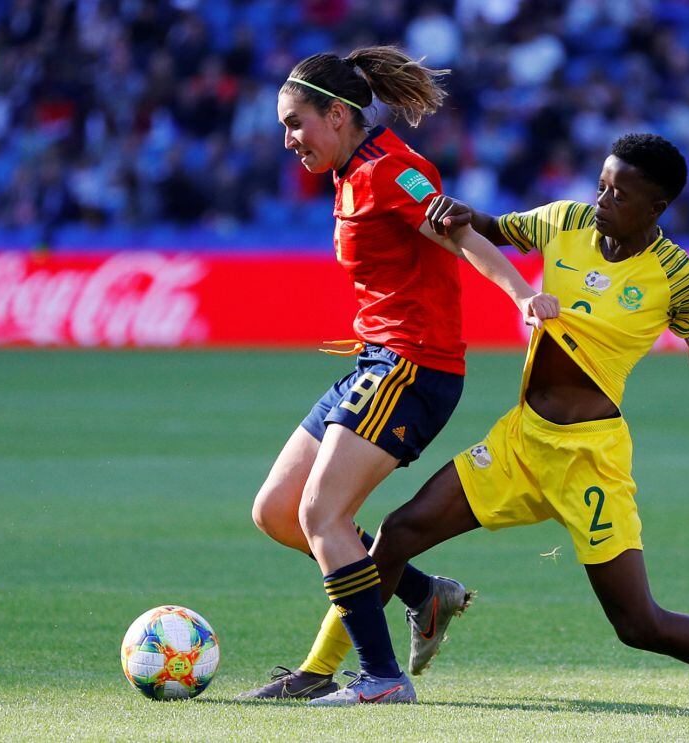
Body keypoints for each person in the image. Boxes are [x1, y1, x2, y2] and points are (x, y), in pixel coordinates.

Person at [311, 134, 689, 707]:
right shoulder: (564, 221)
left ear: (656, 208)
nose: (602, 200)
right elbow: (494, 229)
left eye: (619, 195)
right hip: (521, 443)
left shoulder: (677, 276)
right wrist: (461, 212)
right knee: (397, 534)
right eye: (601, 184)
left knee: (638, 624)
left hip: (590, 461)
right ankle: (321, 672)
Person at [239, 46, 559, 704]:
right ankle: (423, 593)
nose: (287, 139)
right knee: (277, 512)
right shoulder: (349, 170)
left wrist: (522, 295)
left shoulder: (394, 171)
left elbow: (460, 231)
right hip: (375, 363)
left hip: (413, 367)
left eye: (295, 123)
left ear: (336, 114)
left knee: (323, 512)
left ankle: (381, 678)